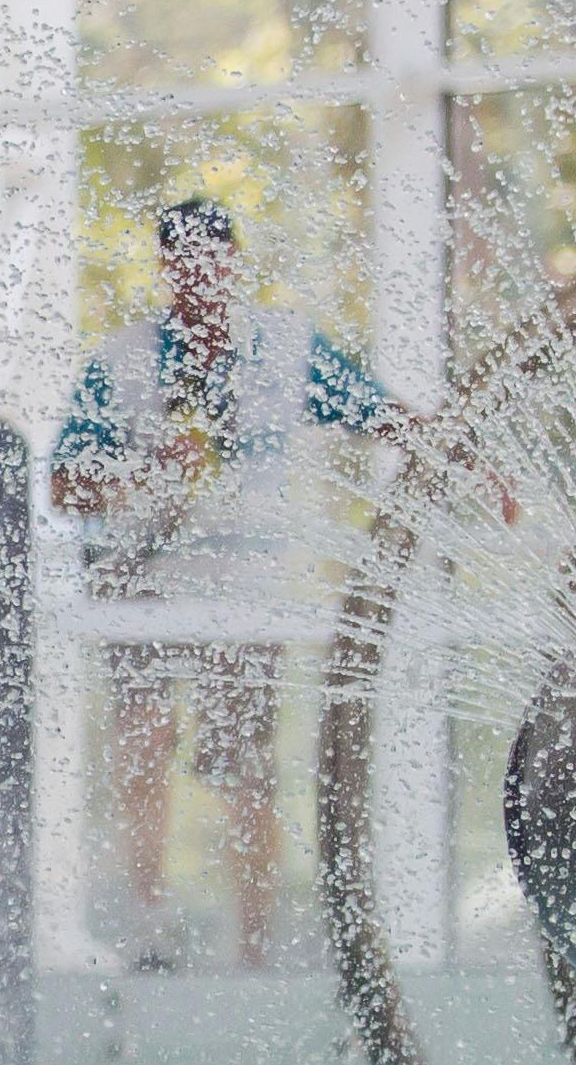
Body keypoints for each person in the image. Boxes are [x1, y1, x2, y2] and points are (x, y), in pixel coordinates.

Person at [49, 199, 403, 974]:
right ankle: (150, 931)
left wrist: (463, 458)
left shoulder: (286, 347)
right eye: (184, 263)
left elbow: (380, 413)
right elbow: (64, 485)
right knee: (142, 742)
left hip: (244, 585)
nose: (200, 279)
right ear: (165, 269)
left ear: (234, 262)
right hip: (139, 580)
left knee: (244, 763)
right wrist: (140, 469)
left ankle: (254, 950)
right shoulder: (124, 360)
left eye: (212, 261)